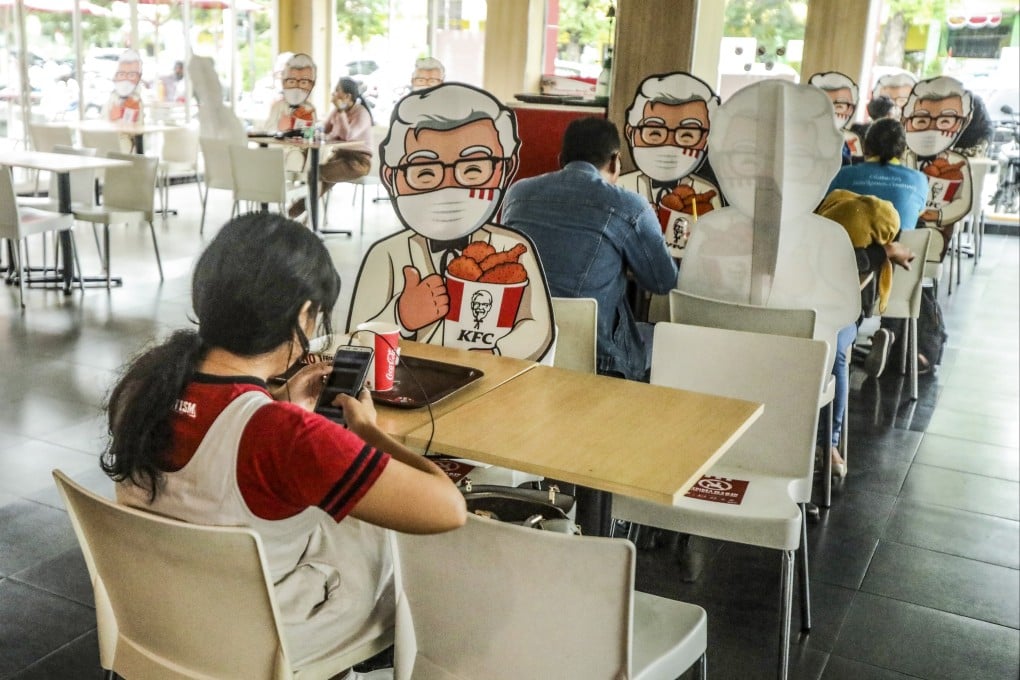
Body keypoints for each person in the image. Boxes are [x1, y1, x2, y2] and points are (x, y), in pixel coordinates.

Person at [102, 213, 466, 672]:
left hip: (158, 619)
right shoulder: (285, 436)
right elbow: (448, 509)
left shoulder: (145, 383)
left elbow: (209, 435)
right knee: (377, 539)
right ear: (302, 315)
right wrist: (368, 430)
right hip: (258, 642)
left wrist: (278, 402)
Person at [347, 83, 554, 363]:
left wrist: (494, 353)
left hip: (493, 388)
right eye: (424, 172)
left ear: (505, 169)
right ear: (391, 176)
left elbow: (538, 327)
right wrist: (400, 316)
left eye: (472, 170)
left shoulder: (515, 248)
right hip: (410, 387)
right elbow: (355, 340)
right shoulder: (387, 255)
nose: (448, 186)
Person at [503, 117, 677, 381]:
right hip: (600, 360)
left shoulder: (517, 194)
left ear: (561, 159)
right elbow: (663, 282)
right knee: (654, 335)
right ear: (615, 161)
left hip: (520, 345)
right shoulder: (629, 206)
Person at [618, 72, 723, 257]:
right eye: (655, 133)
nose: (670, 144)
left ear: (706, 139)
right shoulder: (620, 188)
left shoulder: (706, 193)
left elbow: (716, 249)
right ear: (630, 132)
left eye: (687, 135)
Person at [318, 76, 374, 195]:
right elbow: (324, 129)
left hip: (358, 161)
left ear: (348, 96)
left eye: (337, 90)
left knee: (315, 173)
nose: (334, 93)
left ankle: (298, 212)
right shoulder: (337, 111)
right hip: (339, 156)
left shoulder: (361, 113)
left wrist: (341, 111)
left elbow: (349, 136)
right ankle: (295, 212)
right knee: (314, 175)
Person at [809, 71, 864, 163]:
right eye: (824, 104)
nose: (831, 110)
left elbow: (858, 170)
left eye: (840, 105)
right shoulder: (805, 135)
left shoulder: (851, 139)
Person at [260, 52, 317, 133]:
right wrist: (279, 129)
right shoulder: (277, 107)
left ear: (311, 85)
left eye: (304, 82)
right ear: (283, 82)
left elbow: (311, 135)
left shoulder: (310, 109)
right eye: (292, 81)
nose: (297, 87)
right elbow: (267, 132)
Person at [101, 49, 144, 125]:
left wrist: (121, 113)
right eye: (122, 74)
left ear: (138, 77)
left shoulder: (136, 101)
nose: (125, 79)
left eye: (131, 75)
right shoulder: (111, 99)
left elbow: (135, 131)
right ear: (115, 77)